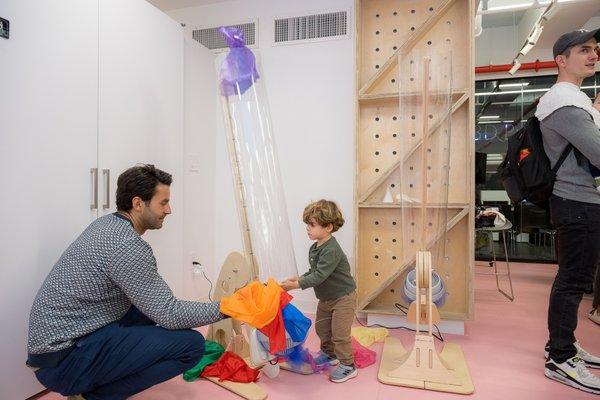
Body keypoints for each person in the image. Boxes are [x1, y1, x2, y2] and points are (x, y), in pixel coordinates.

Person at [26, 164, 225, 400]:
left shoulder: (107, 224)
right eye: (163, 202)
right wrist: (229, 307)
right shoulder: (126, 245)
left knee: (147, 311)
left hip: (56, 347)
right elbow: (170, 313)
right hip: (62, 362)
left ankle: (95, 380)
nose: (169, 210)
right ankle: (94, 396)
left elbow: (158, 308)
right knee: (191, 345)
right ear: (138, 203)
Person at [535, 28, 600, 394]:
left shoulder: (575, 101)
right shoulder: (565, 103)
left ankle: (562, 344)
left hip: (579, 201)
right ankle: (560, 357)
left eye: (594, 50)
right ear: (562, 59)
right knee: (573, 280)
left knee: (573, 278)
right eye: (583, 50)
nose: (593, 55)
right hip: (576, 202)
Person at [281, 199, 357, 383]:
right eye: (307, 224)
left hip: (343, 298)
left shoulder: (331, 250)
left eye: (312, 224)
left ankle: (348, 365)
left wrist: (295, 285)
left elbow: (319, 276)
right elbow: (314, 272)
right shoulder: (315, 248)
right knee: (322, 328)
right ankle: (329, 354)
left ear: (328, 227)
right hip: (326, 298)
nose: (308, 228)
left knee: (339, 334)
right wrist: (298, 278)